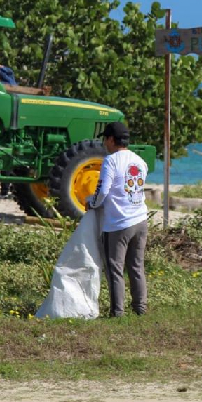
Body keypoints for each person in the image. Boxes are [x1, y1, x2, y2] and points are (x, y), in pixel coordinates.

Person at [85, 121, 149, 317]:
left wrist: (91, 203)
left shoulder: (111, 161)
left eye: (106, 139)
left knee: (115, 269)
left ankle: (117, 312)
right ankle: (140, 309)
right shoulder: (140, 161)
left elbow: (103, 190)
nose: (105, 143)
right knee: (137, 267)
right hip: (141, 220)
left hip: (119, 223)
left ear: (112, 139)